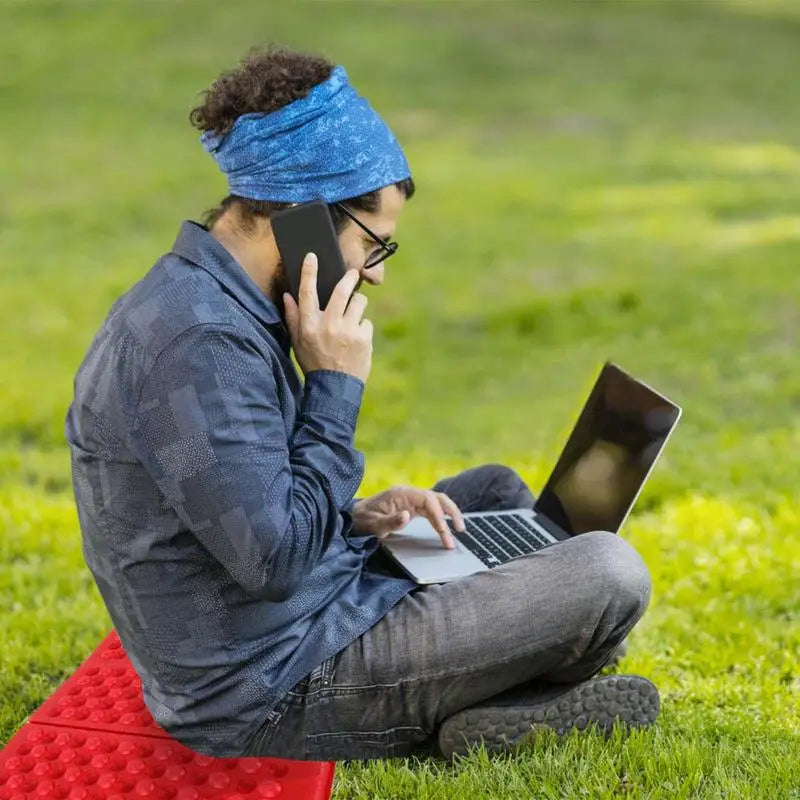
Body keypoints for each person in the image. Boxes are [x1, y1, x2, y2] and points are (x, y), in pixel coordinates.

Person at [64, 44, 656, 762]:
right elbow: (275, 563)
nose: (372, 277)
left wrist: (356, 521)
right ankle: (502, 697)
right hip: (269, 686)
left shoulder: (213, 301)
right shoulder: (198, 346)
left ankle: (509, 684)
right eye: (373, 245)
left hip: (299, 611)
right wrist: (334, 387)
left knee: (493, 492)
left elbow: (237, 511)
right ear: (304, 216)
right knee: (609, 571)